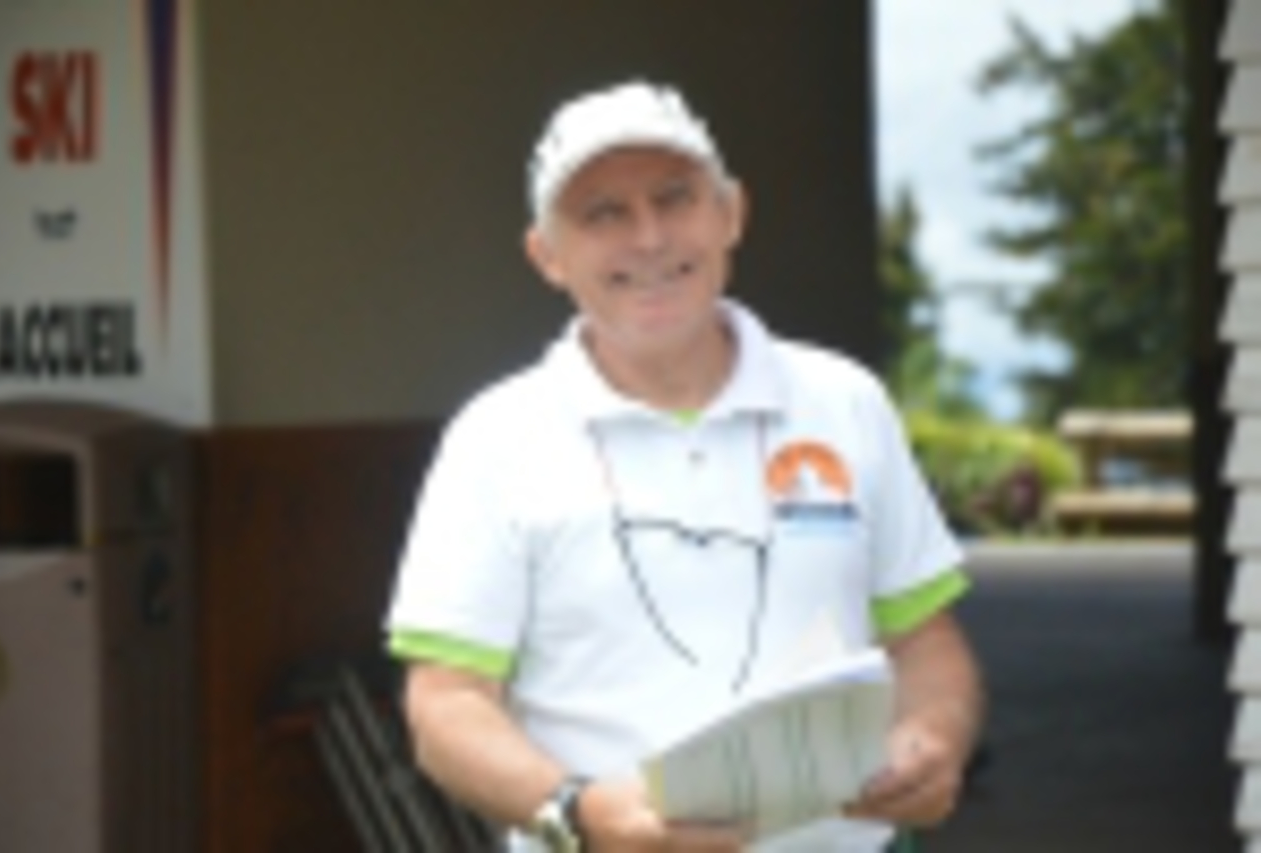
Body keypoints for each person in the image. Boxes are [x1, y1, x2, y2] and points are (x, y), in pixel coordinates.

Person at [384, 80, 983, 852]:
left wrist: (936, 736)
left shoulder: (845, 401)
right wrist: (580, 812)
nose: (648, 238)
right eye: (602, 213)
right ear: (548, 256)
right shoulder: (495, 436)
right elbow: (447, 703)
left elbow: (924, 639)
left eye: (675, 198)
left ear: (731, 214)